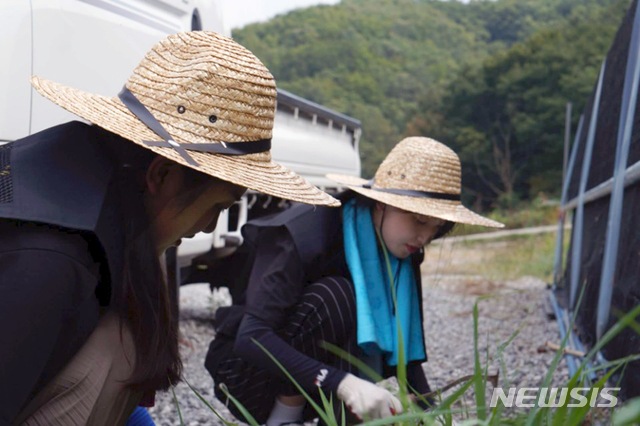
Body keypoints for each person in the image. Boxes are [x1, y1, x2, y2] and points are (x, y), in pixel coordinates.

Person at [0, 31, 339, 426]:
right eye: (216, 207)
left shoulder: (84, 178)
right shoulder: (49, 261)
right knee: (120, 348)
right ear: (162, 175)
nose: (208, 226)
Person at [205, 136, 504, 425]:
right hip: (247, 375)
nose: (424, 236)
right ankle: (284, 419)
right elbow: (252, 337)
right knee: (337, 295)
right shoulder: (307, 231)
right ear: (381, 204)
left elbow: (407, 354)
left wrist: (433, 414)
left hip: (316, 383)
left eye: (437, 227)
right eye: (420, 220)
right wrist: (343, 383)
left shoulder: (403, 251)